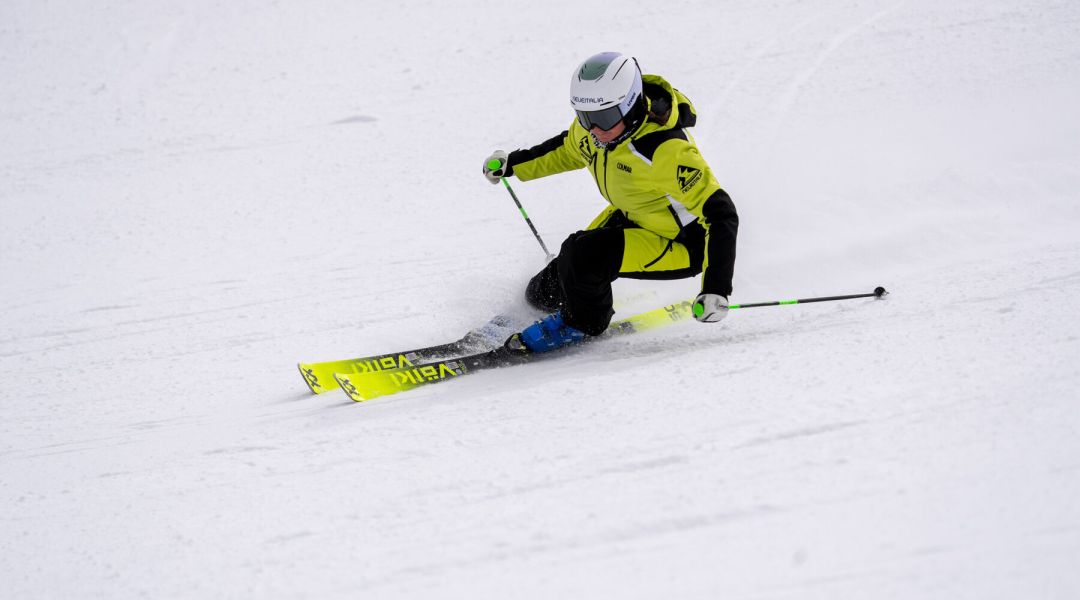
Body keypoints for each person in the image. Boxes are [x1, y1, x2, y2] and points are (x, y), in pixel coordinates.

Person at [483, 52, 739, 353]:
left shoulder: (666, 150)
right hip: (636, 216)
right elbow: (567, 149)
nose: (594, 130)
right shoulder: (600, 129)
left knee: (581, 256)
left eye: (602, 118)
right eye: (585, 117)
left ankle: (582, 322)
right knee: (545, 288)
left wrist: (716, 289)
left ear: (630, 105)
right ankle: (546, 308)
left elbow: (722, 214)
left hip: (682, 241)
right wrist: (512, 164)